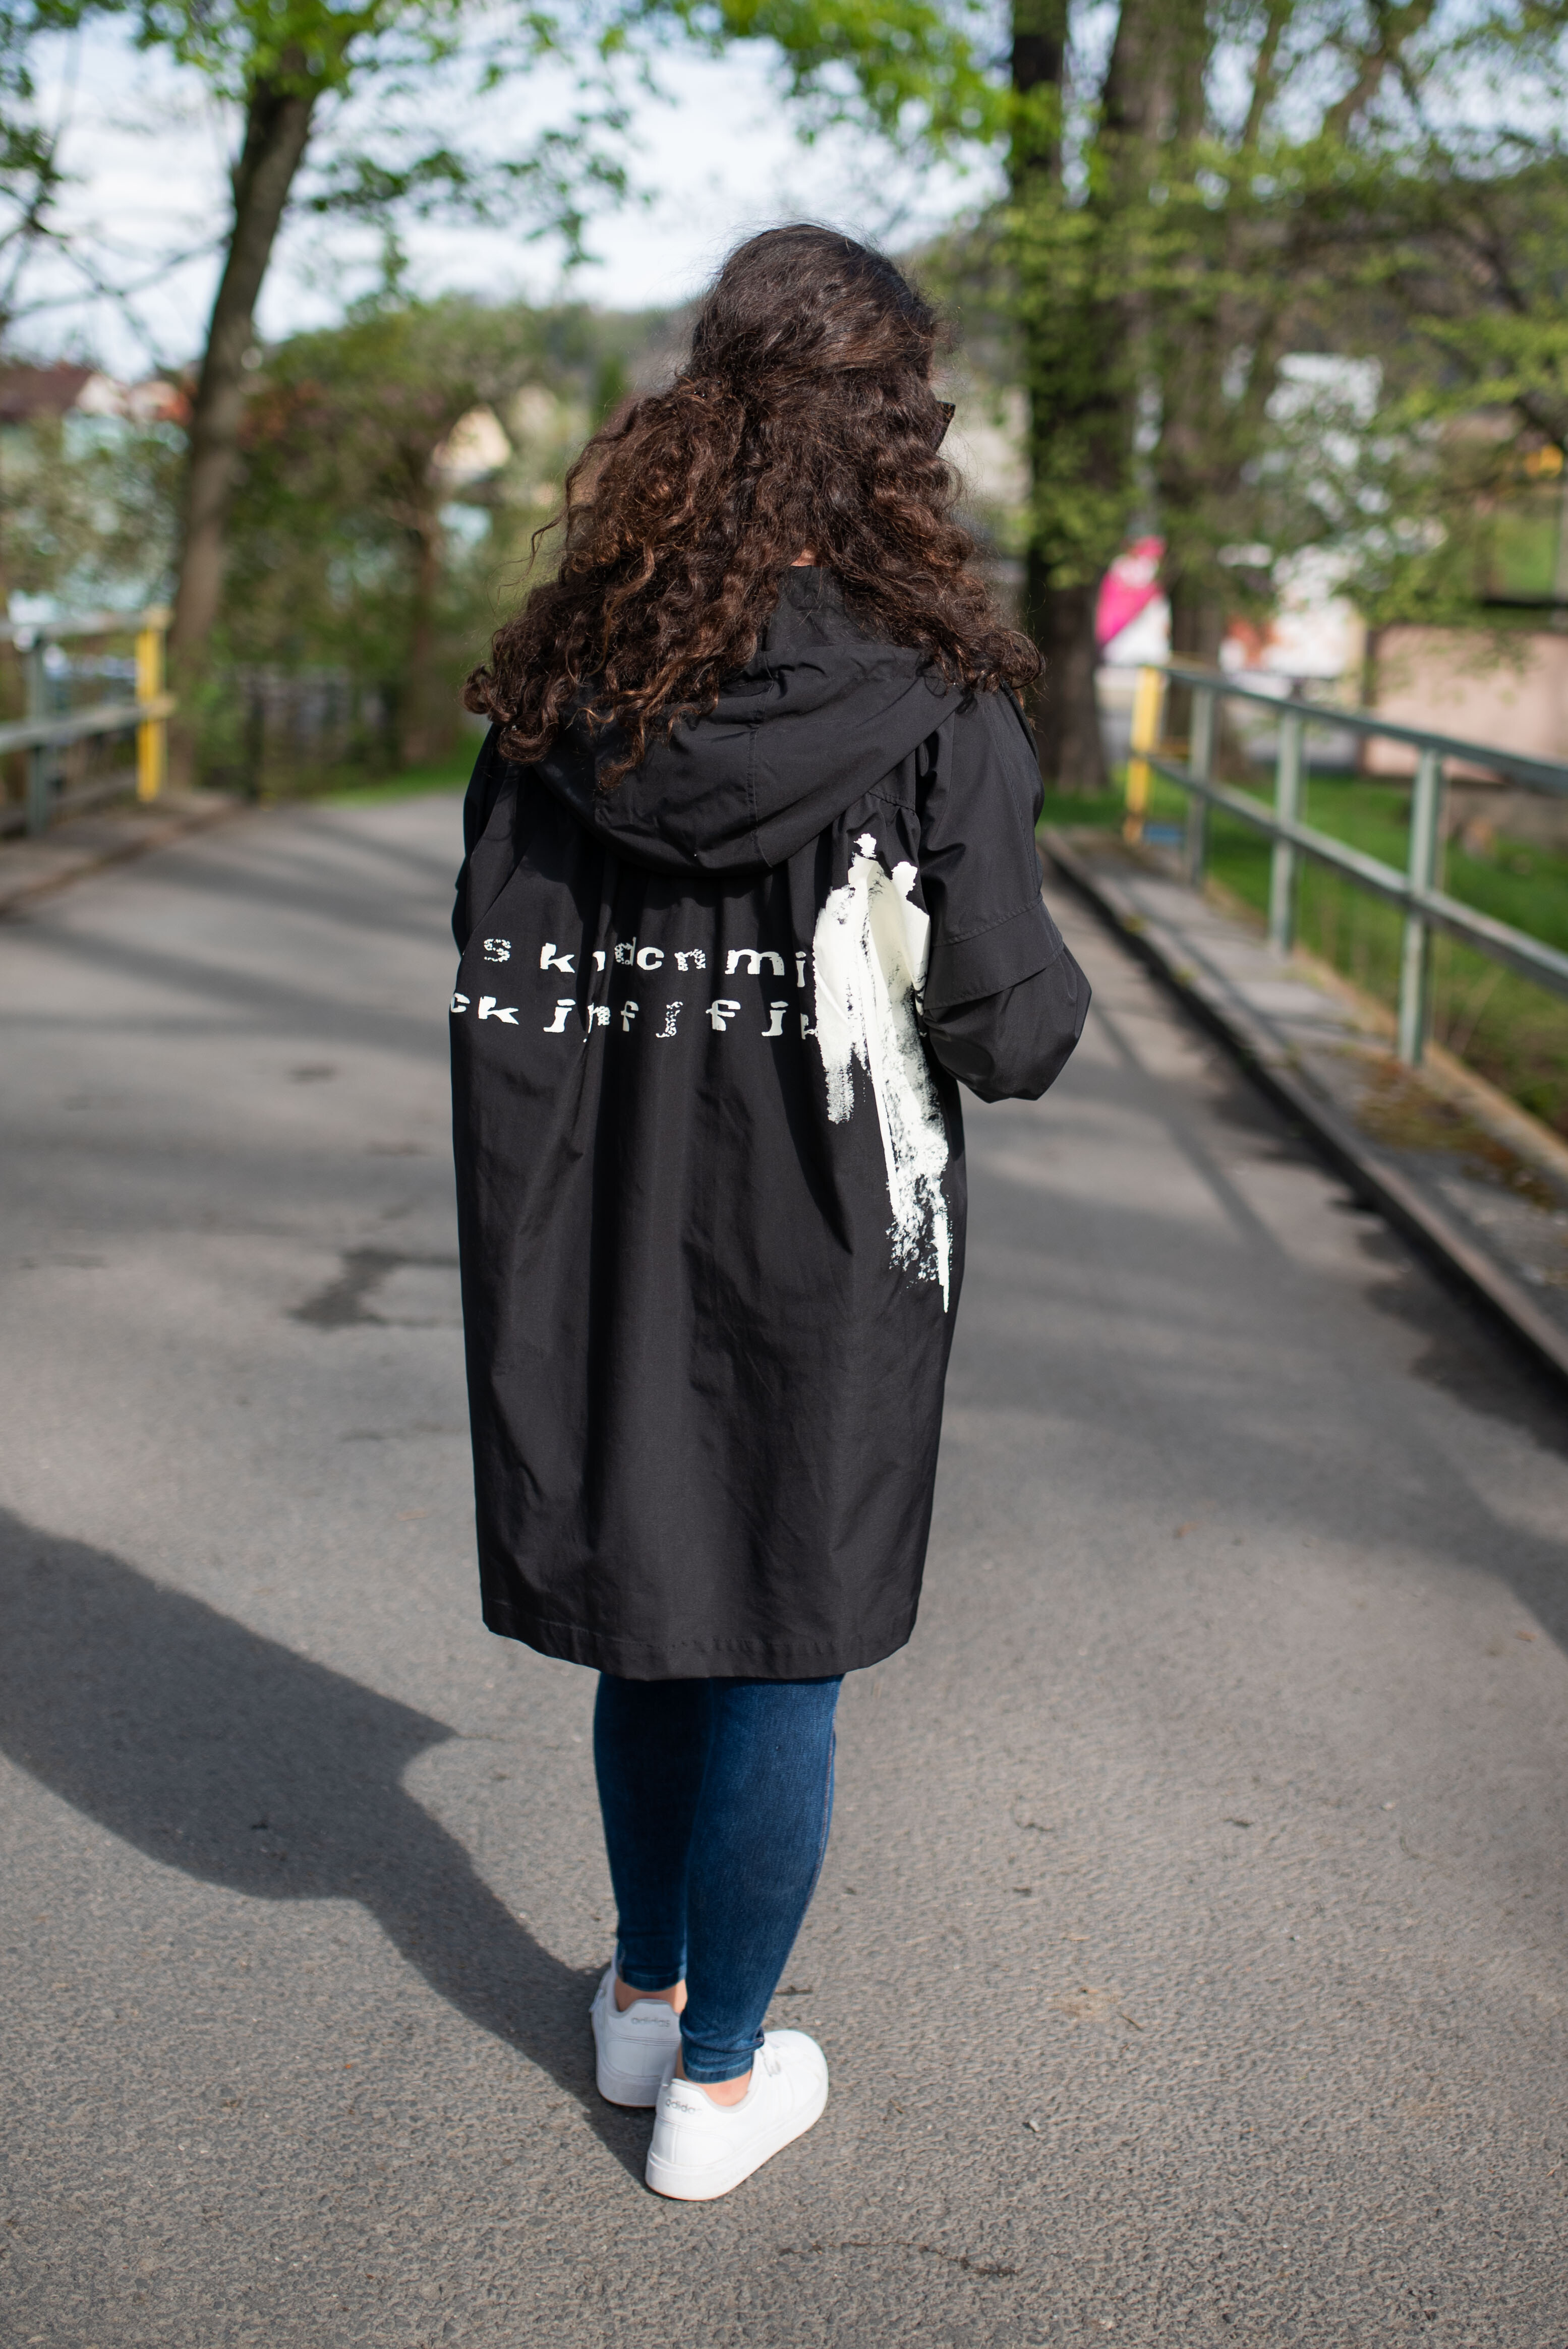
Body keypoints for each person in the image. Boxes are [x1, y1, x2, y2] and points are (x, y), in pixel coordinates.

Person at [450, 224, 1089, 2202]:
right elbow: (1010, 1029)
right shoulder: (931, 703)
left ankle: (646, 1994)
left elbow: (496, 962)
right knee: (777, 1640)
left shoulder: (564, 681)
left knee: (658, 1617)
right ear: (891, 433)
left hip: (592, 1234)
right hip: (828, 1239)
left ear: (701, 407)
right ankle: (717, 2085)